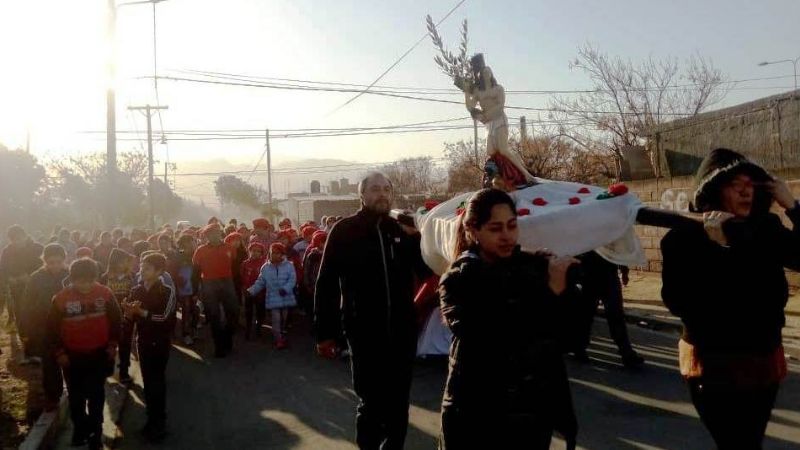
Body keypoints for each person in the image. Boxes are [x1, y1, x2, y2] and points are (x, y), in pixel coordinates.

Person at [661, 148, 799, 449]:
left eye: (751, 183)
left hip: (764, 364)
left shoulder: (766, 228)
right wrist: (720, 251)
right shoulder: (683, 237)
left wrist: (793, 206)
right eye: (734, 183)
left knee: (750, 442)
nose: (745, 190)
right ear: (712, 189)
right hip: (713, 368)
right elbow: (680, 303)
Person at [437, 188, 579, 449]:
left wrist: (567, 288)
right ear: (473, 230)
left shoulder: (530, 268)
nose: (507, 236)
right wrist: (550, 293)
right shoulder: (459, 279)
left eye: (512, 226)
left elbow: (567, 338)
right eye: (495, 228)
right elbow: (495, 340)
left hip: (530, 414)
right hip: (478, 415)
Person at [314, 172, 432, 450]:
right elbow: (327, 283)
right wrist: (325, 333)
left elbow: (426, 271)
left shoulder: (400, 230)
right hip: (364, 333)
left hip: (402, 332)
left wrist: (417, 239)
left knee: (399, 404)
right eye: (375, 189)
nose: (382, 194)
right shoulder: (344, 231)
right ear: (362, 195)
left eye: (386, 189)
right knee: (372, 404)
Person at [46, 258, 121, 449]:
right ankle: (80, 430)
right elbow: (51, 330)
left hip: (99, 355)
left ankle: (96, 432)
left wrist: (112, 346)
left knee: (96, 396)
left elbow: (116, 321)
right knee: (76, 398)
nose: (85, 285)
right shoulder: (60, 299)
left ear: (95, 278)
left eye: (89, 281)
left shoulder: (105, 294)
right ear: (72, 279)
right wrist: (60, 353)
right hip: (72, 358)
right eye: (80, 281)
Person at [124, 252, 176, 442]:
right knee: (147, 383)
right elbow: (130, 318)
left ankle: (159, 422)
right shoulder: (137, 290)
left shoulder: (167, 291)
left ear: (159, 271)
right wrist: (129, 312)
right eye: (141, 267)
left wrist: (141, 312)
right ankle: (151, 419)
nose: (142, 271)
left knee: (157, 382)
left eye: (147, 268)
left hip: (160, 342)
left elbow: (165, 318)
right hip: (143, 341)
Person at [569, 251, 644, 368]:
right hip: (589, 277)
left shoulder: (607, 233)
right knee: (586, 315)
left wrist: (624, 271)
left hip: (608, 276)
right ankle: (579, 348)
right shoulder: (585, 234)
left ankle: (626, 353)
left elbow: (618, 248)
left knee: (616, 315)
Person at [23, 244, 70, 410]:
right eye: (51, 262)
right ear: (44, 261)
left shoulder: (70, 275)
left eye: (58, 262)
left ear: (64, 260)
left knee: (70, 361)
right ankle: (53, 396)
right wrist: (28, 331)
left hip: (69, 326)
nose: (55, 266)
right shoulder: (36, 278)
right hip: (44, 327)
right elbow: (27, 305)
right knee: (50, 363)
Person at [192, 223, 239, 358]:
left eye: (217, 232)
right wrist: (195, 291)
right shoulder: (200, 251)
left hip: (227, 283)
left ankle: (227, 337)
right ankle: (219, 346)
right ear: (206, 236)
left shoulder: (230, 248)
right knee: (214, 317)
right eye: (210, 234)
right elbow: (195, 273)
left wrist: (237, 286)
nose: (214, 235)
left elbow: (235, 269)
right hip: (209, 284)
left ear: (220, 233)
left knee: (234, 313)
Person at [248, 242, 296, 349]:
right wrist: (251, 291)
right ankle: (278, 339)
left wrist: (286, 289)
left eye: (277, 253)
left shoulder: (289, 266)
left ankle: (282, 333)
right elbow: (260, 282)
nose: (275, 255)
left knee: (284, 318)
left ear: (282, 254)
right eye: (272, 253)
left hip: (286, 296)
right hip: (273, 298)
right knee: (276, 319)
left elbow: (292, 280)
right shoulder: (265, 267)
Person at [0, 225, 44, 341]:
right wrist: (8, 279)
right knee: (19, 310)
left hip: (36, 286)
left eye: (19, 238)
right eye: (13, 239)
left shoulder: (37, 248)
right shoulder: (7, 251)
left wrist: (30, 276)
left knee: (35, 309)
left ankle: (37, 333)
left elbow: (43, 265)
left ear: (25, 236)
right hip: (16, 287)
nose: (17, 242)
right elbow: (3, 269)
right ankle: (24, 336)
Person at [100, 248, 136, 384]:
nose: (125, 264)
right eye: (123, 261)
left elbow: (135, 295)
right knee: (108, 344)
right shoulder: (105, 278)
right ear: (114, 263)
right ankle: (107, 370)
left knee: (125, 344)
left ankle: (123, 372)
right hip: (108, 318)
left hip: (127, 315)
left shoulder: (132, 277)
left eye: (127, 261)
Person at [174, 234, 199, 345]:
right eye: (186, 243)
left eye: (190, 242)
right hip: (182, 288)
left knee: (195, 310)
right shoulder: (178, 255)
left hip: (193, 286)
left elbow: (198, 274)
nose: (188, 245)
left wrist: (196, 290)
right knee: (186, 310)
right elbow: (174, 271)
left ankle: (193, 330)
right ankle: (186, 334)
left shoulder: (197, 255)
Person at [240, 242, 267, 340]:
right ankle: (248, 328)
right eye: (253, 251)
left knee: (260, 311)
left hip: (261, 292)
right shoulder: (245, 263)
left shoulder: (265, 264)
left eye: (258, 251)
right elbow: (241, 277)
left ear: (261, 253)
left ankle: (258, 327)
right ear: (249, 251)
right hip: (248, 292)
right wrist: (243, 288)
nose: (255, 253)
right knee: (248, 311)